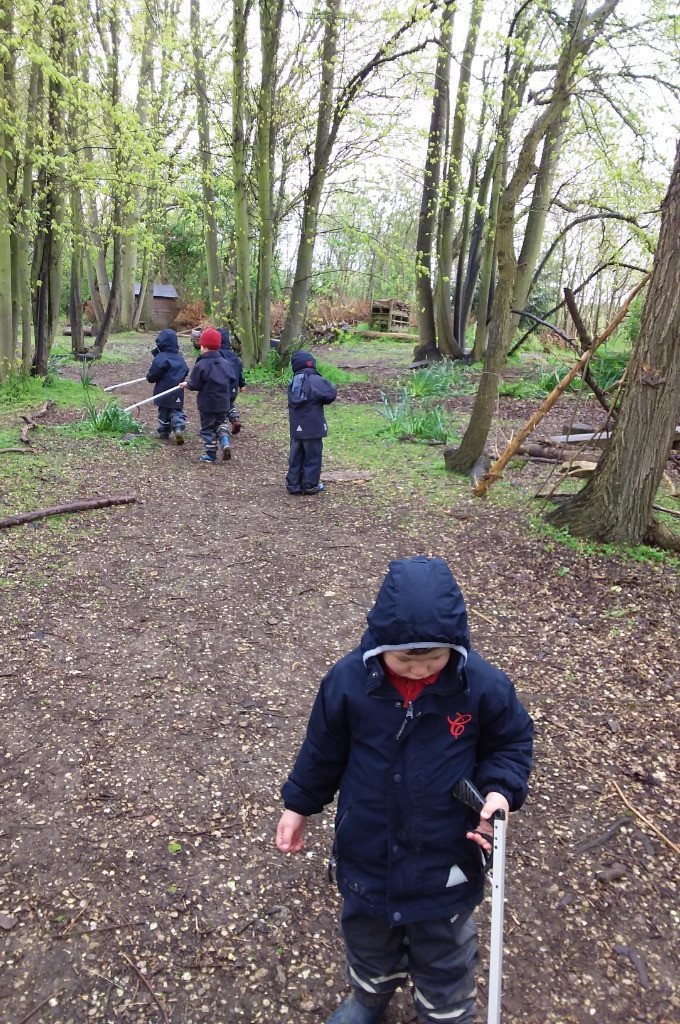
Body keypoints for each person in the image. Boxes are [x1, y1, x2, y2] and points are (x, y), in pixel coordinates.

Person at [276, 555, 533, 1024]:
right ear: (380, 645)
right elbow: (322, 750)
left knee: (446, 950)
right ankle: (370, 997)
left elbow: (511, 743)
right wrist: (298, 806)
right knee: (368, 937)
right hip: (368, 849)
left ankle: (445, 1012)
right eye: (405, 661)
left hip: (447, 855)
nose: (419, 671)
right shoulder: (349, 681)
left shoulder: (483, 686)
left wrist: (499, 789)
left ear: (455, 646)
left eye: (434, 660)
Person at [286, 349, 337, 495]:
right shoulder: (316, 380)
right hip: (313, 427)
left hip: (296, 428)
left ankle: (293, 484)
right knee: (313, 456)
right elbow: (331, 393)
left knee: (295, 456)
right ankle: (310, 485)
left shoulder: (293, 382)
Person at [182, 328, 237, 463]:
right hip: (223, 403)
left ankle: (210, 453)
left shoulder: (201, 364)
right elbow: (232, 379)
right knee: (221, 424)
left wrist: (186, 385)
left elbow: (195, 384)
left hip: (207, 404)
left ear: (204, 346)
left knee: (207, 428)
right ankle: (225, 442)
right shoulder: (226, 363)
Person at [145, 329, 189, 444]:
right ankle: (178, 428)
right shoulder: (179, 357)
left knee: (163, 412)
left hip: (163, 391)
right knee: (176, 410)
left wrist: (149, 377)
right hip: (177, 391)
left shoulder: (160, 358)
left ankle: (164, 432)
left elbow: (153, 373)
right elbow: (185, 369)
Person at [217, 327, 246, 434]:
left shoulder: (217, 356)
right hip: (233, 388)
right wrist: (241, 384)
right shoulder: (233, 356)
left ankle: (221, 426)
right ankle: (235, 419)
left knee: (221, 406)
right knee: (229, 404)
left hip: (221, 388)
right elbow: (239, 370)